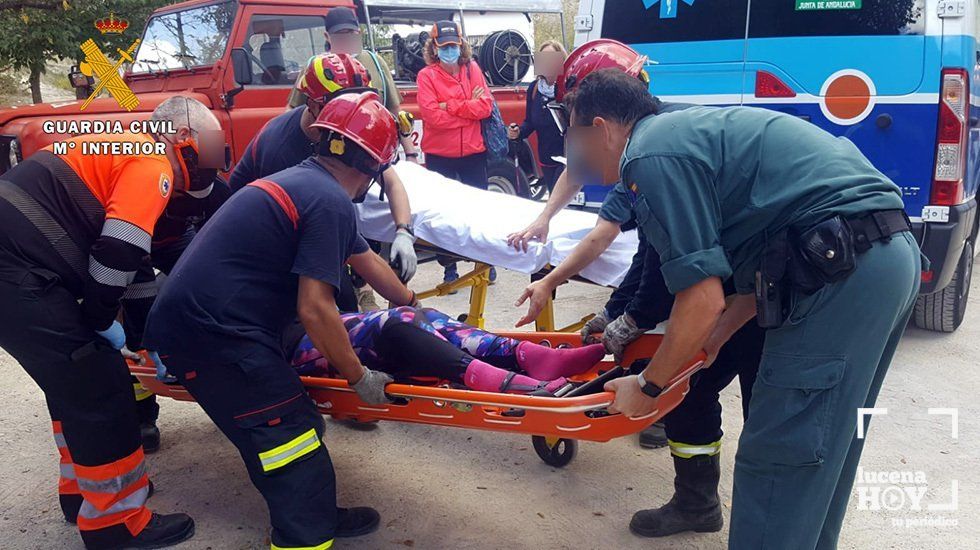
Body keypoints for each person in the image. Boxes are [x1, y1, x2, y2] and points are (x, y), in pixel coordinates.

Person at [568, 69, 921, 549]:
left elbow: (700, 295)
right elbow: (748, 274)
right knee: (820, 457)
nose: (574, 152)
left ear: (601, 127)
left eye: (572, 134)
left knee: (778, 459)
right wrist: (716, 333)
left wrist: (649, 387)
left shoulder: (648, 156)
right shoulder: (687, 131)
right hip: (879, 256)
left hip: (844, 265)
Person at [512, 39, 766, 538]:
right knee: (690, 389)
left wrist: (633, 332)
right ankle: (698, 504)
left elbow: (667, 270)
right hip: (747, 284)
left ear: (601, 116)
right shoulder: (655, 137)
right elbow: (654, 251)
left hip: (767, 289)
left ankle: (762, 522)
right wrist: (616, 312)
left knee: (763, 411)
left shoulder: (654, 152)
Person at [144, 91, 418, 550]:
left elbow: (365, 258)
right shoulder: (327, 200)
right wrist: (359, 376)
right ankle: (304, 537)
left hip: (215, 323)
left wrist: (411, 301)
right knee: (287, 439)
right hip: (213, 336)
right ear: (373, 168)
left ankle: (318, 514)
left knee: (300, 422)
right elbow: (315, 307)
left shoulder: (309, 183)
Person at [0, 95, 225, 549]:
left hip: (16, 266)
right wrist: (100, 320)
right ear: (183, 137)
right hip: (20, 271)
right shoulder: (153, 162)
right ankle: (116, 524)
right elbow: (119, 250)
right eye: (215, 149)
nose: (215, 164)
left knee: (73, 385)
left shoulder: (115, 145)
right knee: (101, 389)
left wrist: (144, 337)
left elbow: (135, 268)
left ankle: (83, 495)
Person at [230, 52, 417, 312]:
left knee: (344, 300)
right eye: (339, 105)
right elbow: (328, 240)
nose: (350, 114)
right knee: (324, 307)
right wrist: (405, 298)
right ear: (312, 104)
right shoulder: (281, 151)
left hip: (301, 222)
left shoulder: (344, 130)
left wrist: (403, 232)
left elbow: (391, 181)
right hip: (257, 244)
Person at [287, 306, 605, 393]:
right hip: (292, 346)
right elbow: (314, 309)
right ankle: (506, 383)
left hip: (314, 322)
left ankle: (533, 357)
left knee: (424, 315)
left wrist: (418, 311)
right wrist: (359, 379)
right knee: (394, 323)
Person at [416, 20, 493, 285]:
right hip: (440, 155)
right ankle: (449, 267)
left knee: (480, 210)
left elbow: (485, 108)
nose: (449, 50)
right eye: (444, 46)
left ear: (461, 45)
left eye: (454, 45)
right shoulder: (426, 76)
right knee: (444, 214)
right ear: (434, 48)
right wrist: (466, 109)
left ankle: (485, 263)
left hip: (473, 152)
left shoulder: (472, 69)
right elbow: (432, 117)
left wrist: (449, 105)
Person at [507, 41, 567, 195]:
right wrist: (518, 132)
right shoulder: (534, 89)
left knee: (559, 201)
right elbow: (530, 122)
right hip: (545, 159)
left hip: (566, 157)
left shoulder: (568, 87)